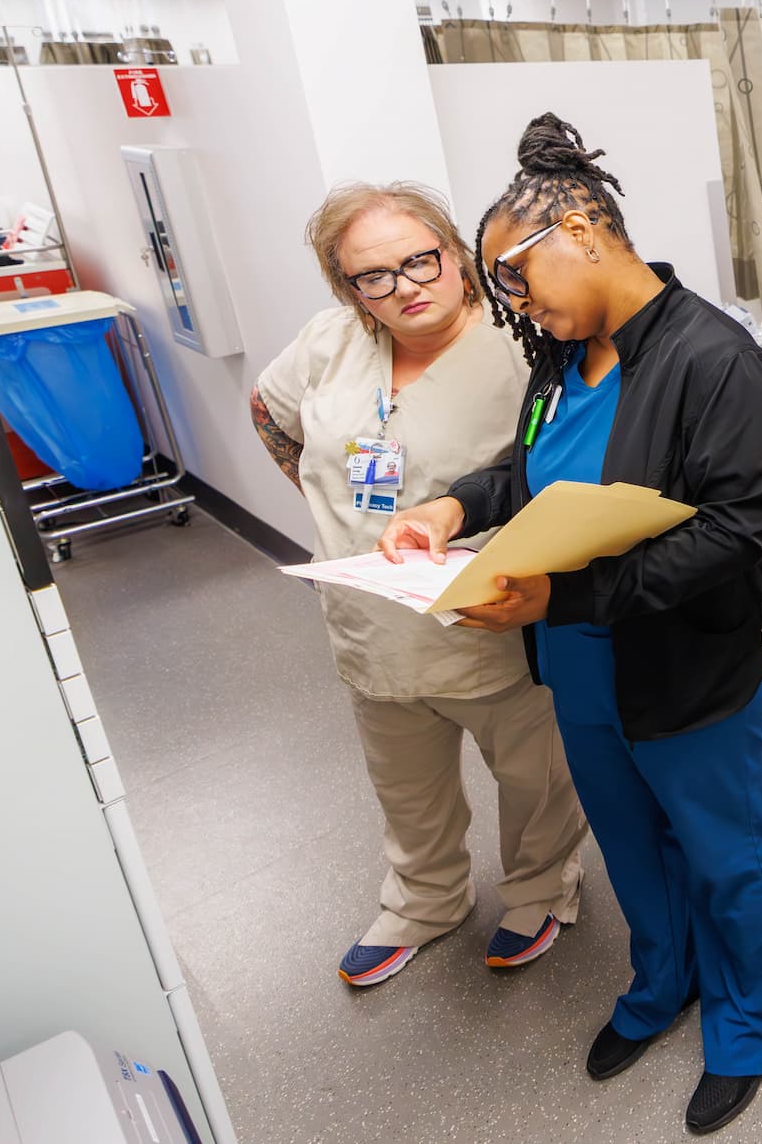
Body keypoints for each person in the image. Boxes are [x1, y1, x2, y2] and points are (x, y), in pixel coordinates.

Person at [376, 114, 762, 1135]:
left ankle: (748, 1015)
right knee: (628, 838)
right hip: (579, 659)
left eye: (517, 278)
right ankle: (662, 980)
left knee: (721, 847)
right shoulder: (564, 357)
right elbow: (529, 470)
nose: (518, 305)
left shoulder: (715, 359)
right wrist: (455, 507)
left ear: (580, 228)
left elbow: (736, 530)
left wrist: (563, 597)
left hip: (687, 658)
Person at [251, 182, 587, 988]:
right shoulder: (330, 342)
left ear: (456, 255)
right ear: (348, 288)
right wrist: (325, 505)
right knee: (405, 786)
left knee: (534, 775)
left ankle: (541, 889)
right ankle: (425, 900)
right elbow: (268, 411)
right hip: (371, 620)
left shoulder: (522, 345)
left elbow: (570, 471)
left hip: (491, 620)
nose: (404, 287)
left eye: (420, 261)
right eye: (373, 276)